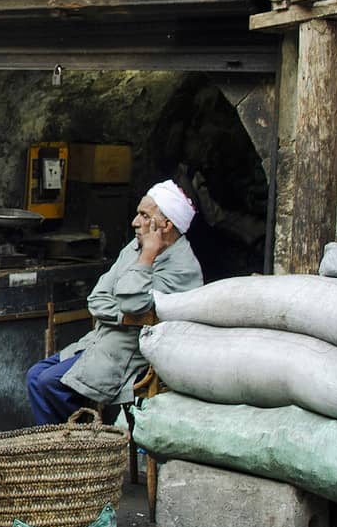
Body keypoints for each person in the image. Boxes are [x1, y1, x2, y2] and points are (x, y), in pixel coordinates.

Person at [25, 180, 205, 425]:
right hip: (101, 340)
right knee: (35, 375)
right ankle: (68, 449)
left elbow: (132, 303)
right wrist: (122, 317)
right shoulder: (135, 247)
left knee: (50, 383)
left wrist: (148, 256)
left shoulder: (182, 266)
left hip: (128, 354)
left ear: (166, 225)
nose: (135, 222)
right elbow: (97, 298)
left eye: (144, 215)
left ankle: (79, 448)